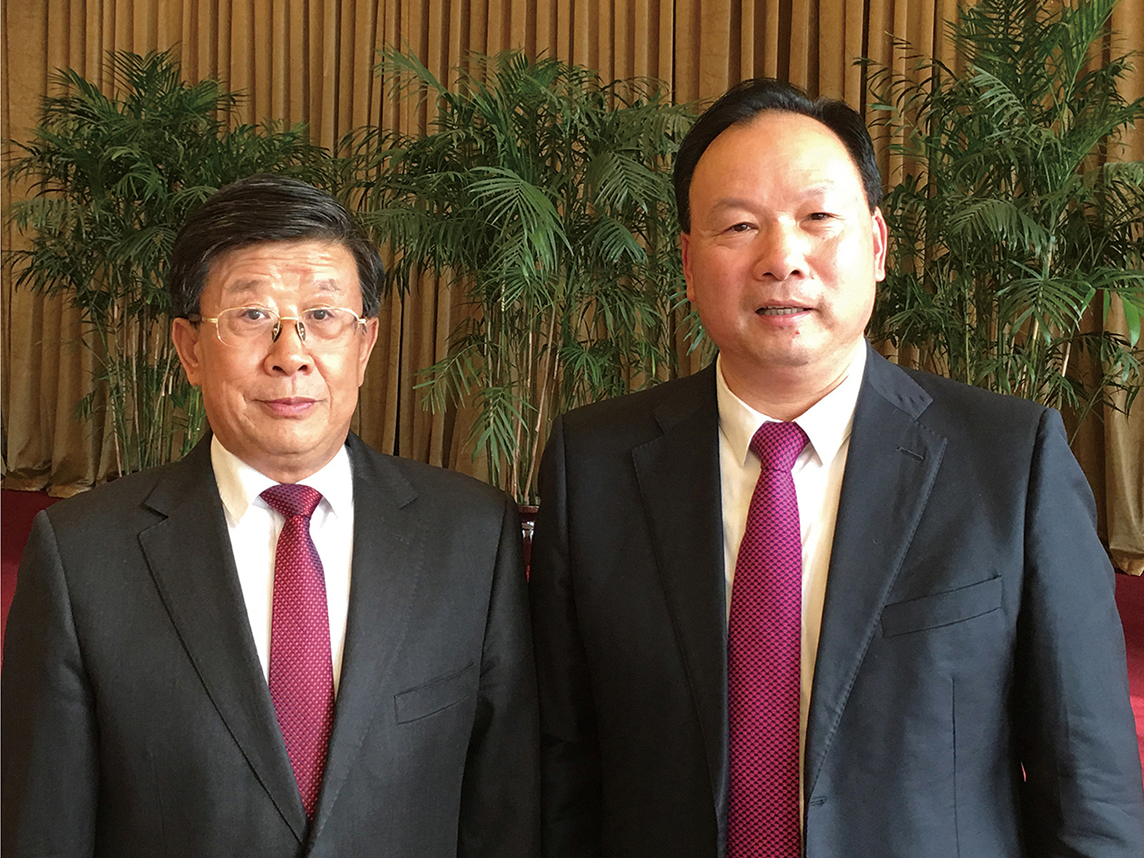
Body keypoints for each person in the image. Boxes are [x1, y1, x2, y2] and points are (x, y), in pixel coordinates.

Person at [528, 79, 1144, 857]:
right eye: (739, 225)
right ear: (686, 262)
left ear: (878, 246)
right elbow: (564, 766)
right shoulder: (593, 465)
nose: (782, 258)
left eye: (818, 218)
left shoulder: (1009, 461)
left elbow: (1087, 782)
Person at [1, 174, 539, 857]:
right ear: (191, 349)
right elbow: (43, 826)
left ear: (365, 345)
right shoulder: (81, 554)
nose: (291, 356)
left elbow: (504, 809)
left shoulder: (471, 536)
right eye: (252, 315)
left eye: (323, 315)